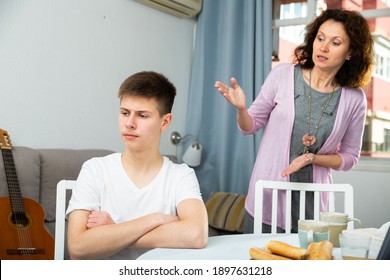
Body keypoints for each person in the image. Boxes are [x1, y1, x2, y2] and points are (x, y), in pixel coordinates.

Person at [215, 9, 374, 233]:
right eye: (320, 38)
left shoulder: (354, 99)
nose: (323, 47)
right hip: (268, 198)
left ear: (351, 52)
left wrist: (313, 158)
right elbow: (249, 126)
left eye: (335, 42)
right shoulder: (282, 75)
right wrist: (241, 109)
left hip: (314, 205)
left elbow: (349, 158)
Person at [66, 71, 208, 259]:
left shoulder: (181, 175)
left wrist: (114, 231)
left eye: (142, 115)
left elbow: (196, 234)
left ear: (165, 122)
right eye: (125, 113)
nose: (129, 123)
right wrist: (153, 220)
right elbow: (78, 247)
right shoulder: (95, 169)